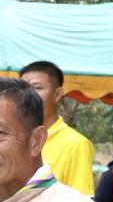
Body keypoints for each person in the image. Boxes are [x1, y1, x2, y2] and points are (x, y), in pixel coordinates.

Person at [19, 61, 95, 195]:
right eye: (23, 89)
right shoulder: (14, 137)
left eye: (36, 88)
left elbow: (81, 201)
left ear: (58, 94)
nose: (28, 95)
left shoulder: (75, 144)